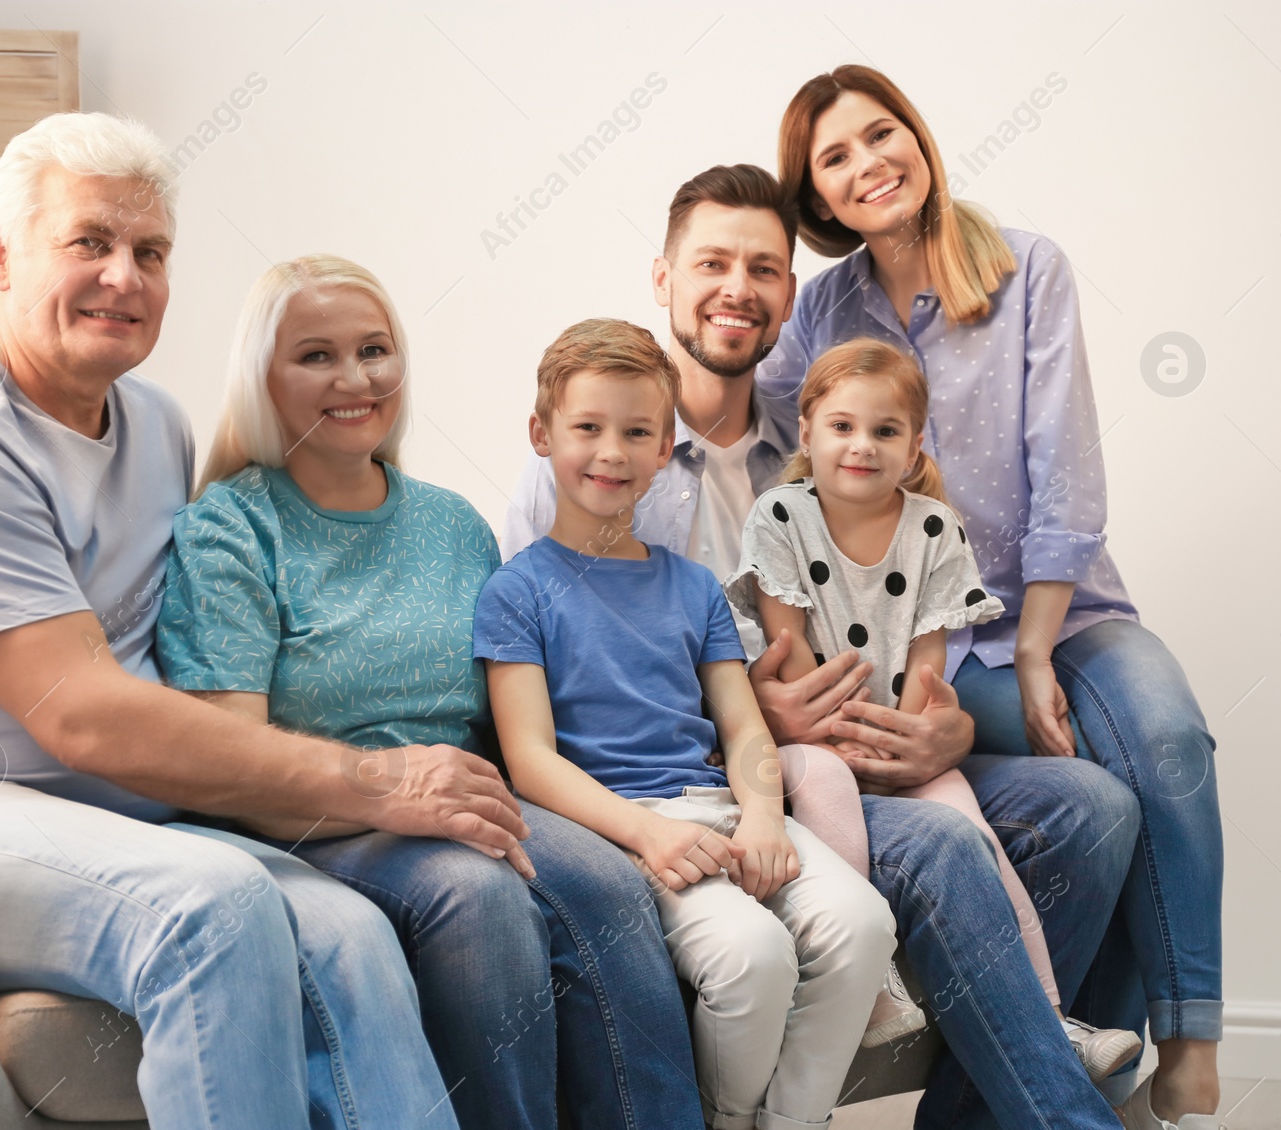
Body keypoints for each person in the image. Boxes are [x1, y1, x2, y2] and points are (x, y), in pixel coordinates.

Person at [0, 112, 525, 1129]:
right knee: (208, 915)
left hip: (122, 815)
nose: (123, 277)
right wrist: (374, 778)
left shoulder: (154, 423)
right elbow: (85, 716)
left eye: (149, 251)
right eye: (87, 242)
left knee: (348, 930)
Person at [505, 163, 1143, 1129]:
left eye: (763, 268)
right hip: (734, 770)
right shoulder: (594, 462)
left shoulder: (828, 436)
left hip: (866, 746)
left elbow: (919, 611)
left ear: (789, 296)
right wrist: (761, 727)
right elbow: (566, 665)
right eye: (711, 262)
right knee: (934, 844)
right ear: (663, 277)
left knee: (1093, 807)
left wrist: (947, 728)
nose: (737, 288)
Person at [762, 65, 1223, 1130]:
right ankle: (1079, 1070)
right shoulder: (822, 313)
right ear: (818, 202)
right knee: (1097, 796)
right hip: (932, 641)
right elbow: (752, 409)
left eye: (883, 135)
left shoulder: (1024, 266)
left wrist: (1034, 649)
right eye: (834, 158)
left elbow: (1064, 466)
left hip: (1062, 610)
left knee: (1164, 740)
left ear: (917, 140)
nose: (869, 163)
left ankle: (1187, 1035)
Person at [154, 255, 704, 1130]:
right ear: (264, 377)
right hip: (322, 820)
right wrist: (387, 794)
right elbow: (234, 767)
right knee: (477, 896)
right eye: (316, 356)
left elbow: (515, 714)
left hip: (471, 795)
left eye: (374, 349)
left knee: (607, 881)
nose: (355, 377)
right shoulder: (230, 527)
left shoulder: (452, 523)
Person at [477, 317, 898, 1130]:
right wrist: (647, 835)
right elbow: (528, 760)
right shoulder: (516, 592)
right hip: (616, 829)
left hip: (721, 808)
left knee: (863, 926)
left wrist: (768, 817)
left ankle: (790, 1121)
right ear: (542, 434)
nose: (612, 452)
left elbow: (743, 728)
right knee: (752, 956)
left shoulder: (693, 586)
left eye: (637, 432)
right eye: (587, 428)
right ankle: (728, 1118)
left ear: (665, 445)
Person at [725, 335, 1143, 1082]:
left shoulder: (931, 528)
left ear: (915, 446)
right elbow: (787, 659)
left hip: (894, 736)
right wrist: (848, 743)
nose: (863, 446)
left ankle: (1050, 1017)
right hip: (809, 737)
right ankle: (869, 979)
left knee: (969, 828)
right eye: (843, 427)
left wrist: (908, 740)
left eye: (886, 431)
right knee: (820, 783)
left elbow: (927, 657)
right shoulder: (780, 517)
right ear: (810, 429)